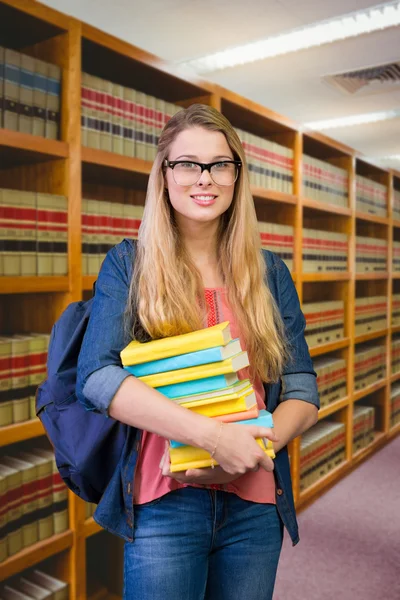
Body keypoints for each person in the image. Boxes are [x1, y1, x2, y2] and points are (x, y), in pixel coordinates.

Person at [77, 103, 319, 600]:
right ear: (164, 174)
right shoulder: (130, 264)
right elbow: (97, 378)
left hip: (254, 504)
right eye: (187, 163)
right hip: (166, 502)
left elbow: (301, 386)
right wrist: (212, 438)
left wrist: (255, 447)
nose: (204, 178)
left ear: (236, 176)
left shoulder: (270, 273)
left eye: (220, 165)